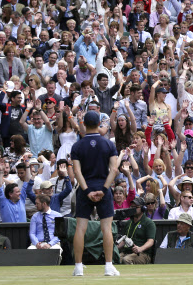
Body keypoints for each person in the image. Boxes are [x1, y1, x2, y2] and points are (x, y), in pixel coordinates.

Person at [71, 111, 121, 277]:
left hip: (85, 189)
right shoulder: (108, 144)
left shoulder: (77, 146)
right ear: (100, 123)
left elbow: (77, 171)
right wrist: (104, 190)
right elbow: (114, 169)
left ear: (84, 123)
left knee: (80, 228)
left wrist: (86, 191)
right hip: (103, 187)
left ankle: (78, 267)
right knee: (106, 229)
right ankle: (108, 266)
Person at [118, 197, 156, 265]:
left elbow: (150, 241)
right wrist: (114, 248)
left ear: (143, 208)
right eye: (132, 207)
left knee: (126, 259)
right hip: (127, 252)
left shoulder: (149, 223)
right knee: (114, 258)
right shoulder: (128, 223)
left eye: (136, 207)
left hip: (142, 254)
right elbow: (124, 240)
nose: (133, 209)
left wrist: (140, 248)